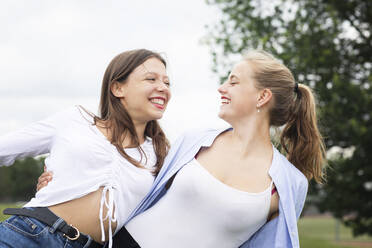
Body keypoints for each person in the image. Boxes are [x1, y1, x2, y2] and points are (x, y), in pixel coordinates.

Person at [38, 50, 326, 248]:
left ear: (262, 96)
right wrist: (66, 178)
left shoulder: (288, 183)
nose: (221, 88)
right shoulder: (197, 140)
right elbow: (133, 178)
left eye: (234, 82)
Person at [0, 49, 171, 248]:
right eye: (151, 79)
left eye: (167, 83)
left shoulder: (161, 155)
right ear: (117, 88)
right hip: (29, 235)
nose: (163, 88)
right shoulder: (75, 120)